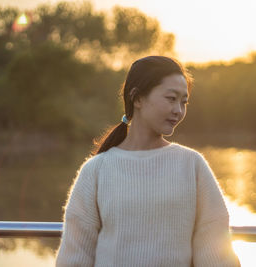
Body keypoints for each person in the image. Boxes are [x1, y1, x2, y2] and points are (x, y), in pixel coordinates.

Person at [55, 56, 240, 266]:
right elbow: (75, 256)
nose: (178, 110)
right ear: (137, 98)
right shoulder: (96, 170)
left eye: (184, 102)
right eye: (171, 98)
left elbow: (215, 249)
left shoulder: (192, 165)